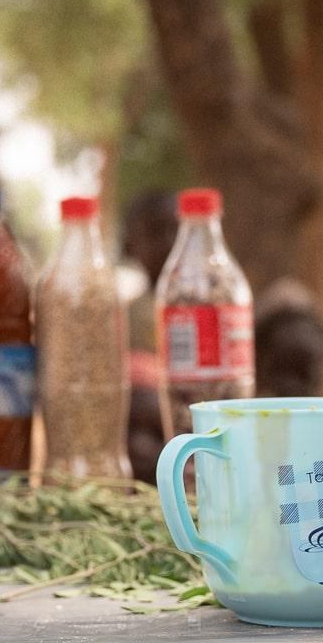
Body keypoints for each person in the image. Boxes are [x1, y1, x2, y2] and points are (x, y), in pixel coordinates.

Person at [120, 190, 179, 480]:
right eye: (155, 233)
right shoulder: (126, 314)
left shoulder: (207, 305)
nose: (169, 242)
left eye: (176, 231)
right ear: (131, 246)